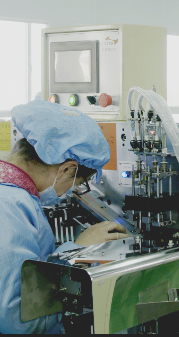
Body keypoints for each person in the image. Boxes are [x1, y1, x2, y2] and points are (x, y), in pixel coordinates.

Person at [0, 100, 128, 333]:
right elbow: (17, 318)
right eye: (78, 183)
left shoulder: (13, 192)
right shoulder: (10, 206)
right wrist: (76, 250)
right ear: (67, 169)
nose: (71, 191)